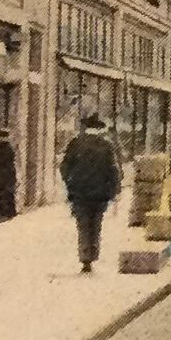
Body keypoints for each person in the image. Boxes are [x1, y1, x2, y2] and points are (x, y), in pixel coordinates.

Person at [60, 114, 122, 273]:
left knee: (83, 225)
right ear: (99, 128)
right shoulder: (106, 145)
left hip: (79, 192)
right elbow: (113, 169)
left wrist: (70, 182)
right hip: (100, 193)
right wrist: (115, 189)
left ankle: (85, 258)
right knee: (96, 224)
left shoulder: (75, 144)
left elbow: (64, 167)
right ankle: (93, 254)